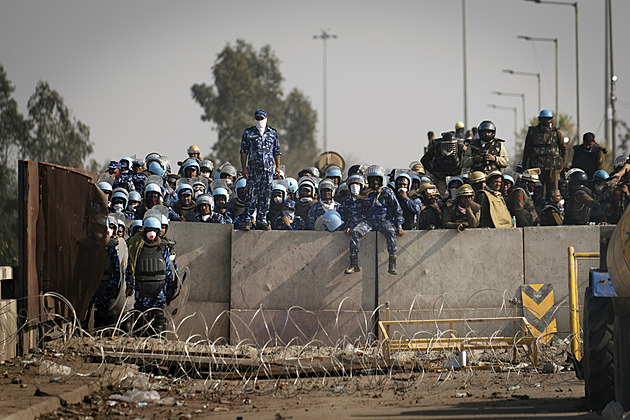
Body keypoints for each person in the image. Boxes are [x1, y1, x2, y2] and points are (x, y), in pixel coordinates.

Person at [344, 165, 403, 275]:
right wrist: (351, 225)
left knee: (391, 231)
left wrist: (399, 225)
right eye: (372, 179)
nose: (374, 181)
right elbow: (356, 210)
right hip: (368, 221)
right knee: (356, 232)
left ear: (381, 180)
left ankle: (392, 263)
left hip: (383, 221)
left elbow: (397, 209)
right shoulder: (363, 193)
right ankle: (353, 263)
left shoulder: (387, 192)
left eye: (377, 179)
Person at [126, 216, 178, 336]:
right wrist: (129, 284)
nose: (151, 233)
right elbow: (131, 266)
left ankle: (157, 343)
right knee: (140, 317)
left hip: (159, 288)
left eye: (154, 230)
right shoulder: (137, 245)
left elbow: (168, 269)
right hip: (141, 287)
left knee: (158, 317)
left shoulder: (163, 247)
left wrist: (170, 287)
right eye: (149, 229)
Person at [240, 109, 281, 231]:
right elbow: (244, 151)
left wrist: (278, 166)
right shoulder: (248, 133)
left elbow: (277, 151)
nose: (259, 121)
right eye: (257, 119)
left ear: (266, 119)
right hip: (253, 169)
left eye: (261, 119)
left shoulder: (272, 133)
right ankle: (247, 219)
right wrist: (243, 168)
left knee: (266, 195)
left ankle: (261, 219)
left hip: (268, 169)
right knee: (251, 194)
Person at [89, 214, 129, 330]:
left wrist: (114, 287)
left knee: (106, 314)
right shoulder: (91, 245)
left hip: (107, 285)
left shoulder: (115, 246)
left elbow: (118, 269)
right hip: (93, 285)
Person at [521, 109, 567, 195]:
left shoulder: (556, 132)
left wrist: (561, 166)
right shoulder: (532, 132)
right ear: (540, 119)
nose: (546, 121)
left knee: (553, 192)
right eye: (544, 119)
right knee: (537, 193)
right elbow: (527, 150)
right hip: (536, 168)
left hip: (552, 168)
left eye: (548, 119)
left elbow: (564, 149)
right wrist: (524, 167)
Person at [421, 131, 466, 196]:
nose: (448, 148)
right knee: (439, 194)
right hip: (440, 175)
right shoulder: (436, 147)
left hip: (457, 174)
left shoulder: (461, 146)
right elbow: (424, 160)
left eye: (451, 145)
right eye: (446, 145)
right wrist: (434, 172)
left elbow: (469, 157)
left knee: (459, 194)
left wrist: (463, 171)